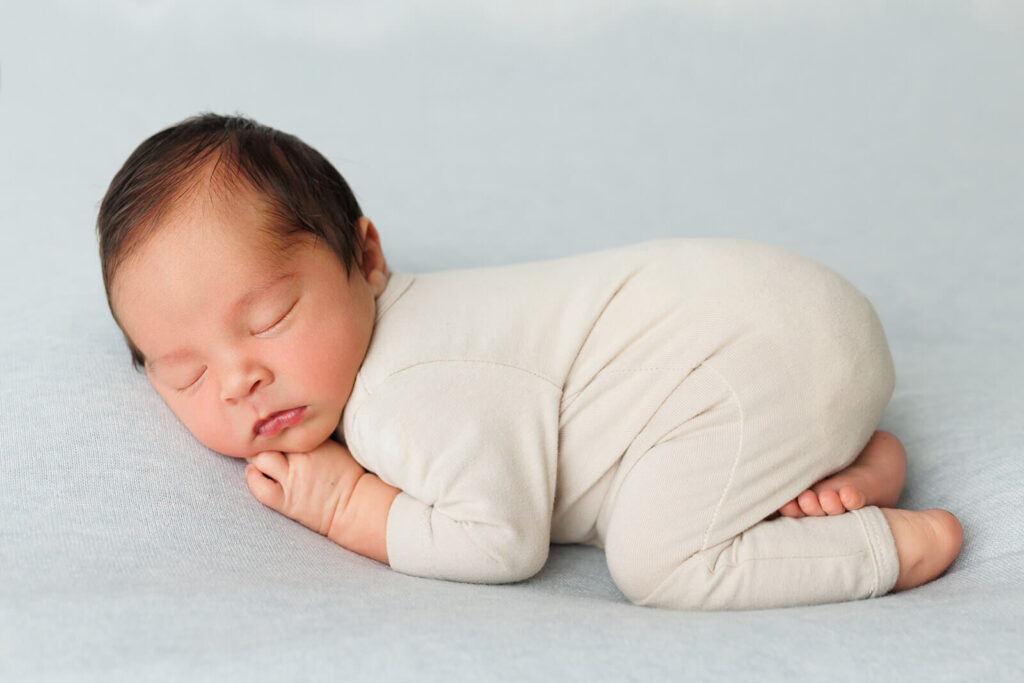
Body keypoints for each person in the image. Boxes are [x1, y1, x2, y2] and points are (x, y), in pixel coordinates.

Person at [96, 113, 962, 610]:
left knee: (658, 561)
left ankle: (894, 543)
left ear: (366, 259)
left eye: (272, 316)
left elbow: (503, 539)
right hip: (789, 330)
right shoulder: (428, 326)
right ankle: (847, 455)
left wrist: (349, 502)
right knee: (647, 464)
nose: (238, 377)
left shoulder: (403, 390)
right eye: (186, 373)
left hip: (757, 353)